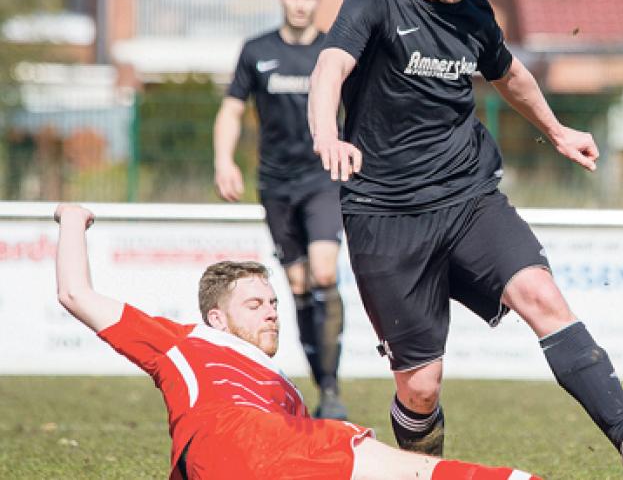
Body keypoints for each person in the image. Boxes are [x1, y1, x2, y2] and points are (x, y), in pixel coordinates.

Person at [306, 0, 623, 478]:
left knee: (541, 294)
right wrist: (325, 133)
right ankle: (422, 471)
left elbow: (510, 75)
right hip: (385, 215)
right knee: (420, 387)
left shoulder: (475, 13)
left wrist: (556, 131)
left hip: (468, 196)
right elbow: (330, 67)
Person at [53, 203, 542, 480]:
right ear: (216, 319)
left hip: (239, 457)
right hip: (246, 440)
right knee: (414, 474)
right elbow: (75, 293)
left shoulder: (284, 392)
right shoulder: (183, 342)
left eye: (272, 303)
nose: (270, 312)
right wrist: (73, 219)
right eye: (254, 305)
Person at [214, 0, 347, 419]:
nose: (300, 4)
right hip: (275, 184)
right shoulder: (256, 51)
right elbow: (232, 110)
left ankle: (331, 391)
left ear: (317, 0)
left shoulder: (333, 52)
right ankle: (322, 381)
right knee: (296, 286)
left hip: (322, 178)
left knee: (324, 273)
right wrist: (223, 160)